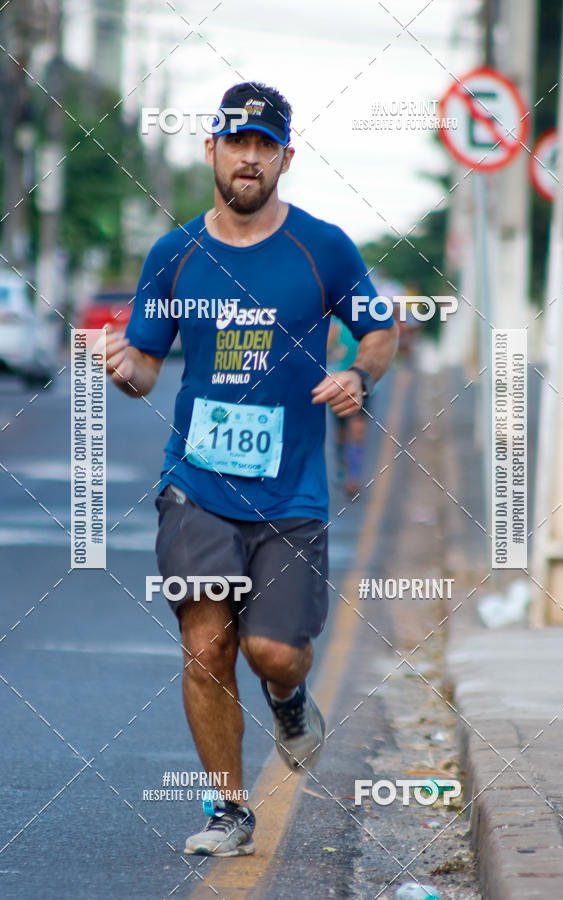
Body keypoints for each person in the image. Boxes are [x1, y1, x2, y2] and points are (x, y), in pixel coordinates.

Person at [105, 81, 397, 857]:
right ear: (212, 149)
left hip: (291, 491)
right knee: (206, 646)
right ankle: (228, 810)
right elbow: (144, 366)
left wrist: (360, 377)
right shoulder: (175, 254)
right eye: (237, 143)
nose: (249, 158)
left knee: (273, 651)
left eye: (265, 147)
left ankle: (290, 698)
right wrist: (119, 366)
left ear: (285, 159)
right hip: (195, 483)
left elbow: (381, 329)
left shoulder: (321, 247)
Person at [327, 319, 370, 495]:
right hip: (341, 382)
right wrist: (337, 352)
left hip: (364, 383)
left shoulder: (371, 320)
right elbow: (326, 351)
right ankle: (341, 465)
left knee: (358, 430)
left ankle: (353, 477)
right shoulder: (337, 323)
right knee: (342, 432)